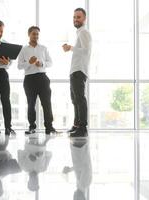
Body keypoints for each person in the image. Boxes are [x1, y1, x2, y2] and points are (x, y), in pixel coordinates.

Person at [17, 26, 58, 135]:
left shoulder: (43, 48)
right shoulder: (23, 50)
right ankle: (32, 127)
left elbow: (51, 63)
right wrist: (29, 63)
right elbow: (19, 66)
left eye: (37, 34)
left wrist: (42, 63)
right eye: (33, 34)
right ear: (29, 34)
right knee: (31, 103)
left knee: (46, 103)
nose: (36, 36)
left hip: (42, 78)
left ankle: (49, 127)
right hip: (29, 79)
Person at [62, 8, 92, 137]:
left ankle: (83, 128)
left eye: (78, 17)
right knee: (75, 99)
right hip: (75, 70)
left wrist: (70, 48)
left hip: (79, 70)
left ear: (84, 19)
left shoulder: (84, 32)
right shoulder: (79, 33)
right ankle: (76, 125)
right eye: (74, 17)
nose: (76, 19)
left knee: (80, 99)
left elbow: (86, 50)